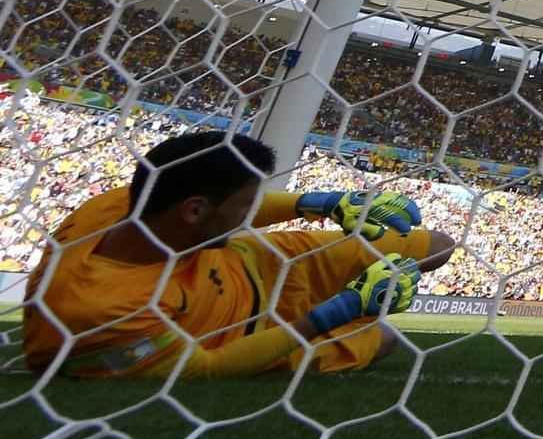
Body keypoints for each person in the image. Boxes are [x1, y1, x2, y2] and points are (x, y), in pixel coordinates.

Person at [22, 131, 455, 378]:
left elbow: (224, 209)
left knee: (437, 247)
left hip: (259, 259)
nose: (254, 211)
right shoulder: (99, 310)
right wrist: (341, 310)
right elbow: (208, 367)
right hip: (253, 331)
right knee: (387, 341)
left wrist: (320, 203)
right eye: (247, 204)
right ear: (194, 211)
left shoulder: (117, 206)